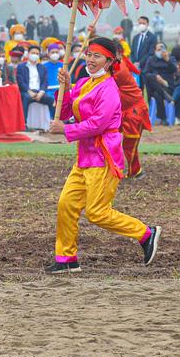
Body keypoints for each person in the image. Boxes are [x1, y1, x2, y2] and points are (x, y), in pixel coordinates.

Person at [44, 37, 161, 274]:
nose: (90, 59)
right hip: (84, 158)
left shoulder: (109, 90)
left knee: (97, 212)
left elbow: (97, 124)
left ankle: (146, 233)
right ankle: (66, 259)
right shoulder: (84, 83)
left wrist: (65, 130)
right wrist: (65, 88)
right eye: (88, 54)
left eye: (97, 56)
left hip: (104, 157)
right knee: (66, 204)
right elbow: (66, 110)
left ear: (109, 62)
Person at [113, 42, 151, 177]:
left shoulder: (118, 70)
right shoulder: (117, 64)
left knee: (129, 144)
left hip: (134, 111)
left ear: (118, 54)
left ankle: (136, 171)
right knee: (110, 138)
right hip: (123, 110)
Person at [17, 44, 54, 119]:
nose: (35, 55)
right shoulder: (21, 66)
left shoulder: (42, 67)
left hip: (39, 92)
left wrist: (41, 92)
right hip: (27, 92)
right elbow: (21, 82)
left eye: (37, 54)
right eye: (33, 53)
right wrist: (29, 92)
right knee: (26, 98)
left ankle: (52, 121)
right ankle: (24, 124)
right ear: (28, 54)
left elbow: (45, 82)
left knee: (51, 99)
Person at [143, 42, 177, 123]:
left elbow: (175, 70)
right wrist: (156, 77)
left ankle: (163, 118)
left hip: (167, 86)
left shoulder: (170, 58)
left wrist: (167, 60)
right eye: (158, 50)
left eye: (162, 49)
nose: (160, 51)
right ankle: (163, 117)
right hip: (155, 86)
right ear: (155, 51)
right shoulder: (151, 59)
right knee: (151, 78)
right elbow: (146, 73)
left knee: (157, 94)